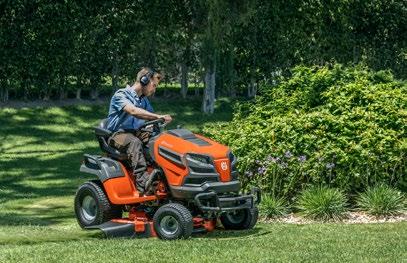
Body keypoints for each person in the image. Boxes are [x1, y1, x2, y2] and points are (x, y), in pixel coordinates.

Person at [106, 67, 172, 195]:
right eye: (154, 85)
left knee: (158, 141)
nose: (154, 90)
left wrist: (158, 122)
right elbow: (133, 111)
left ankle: (164, 176)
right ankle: (143, 183)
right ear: (144, 81)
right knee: (134, 143)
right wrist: (158, 116)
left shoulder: (143, 100)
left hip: (136, 132)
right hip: (118, 134)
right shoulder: (121, 95)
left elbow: (149, 116)